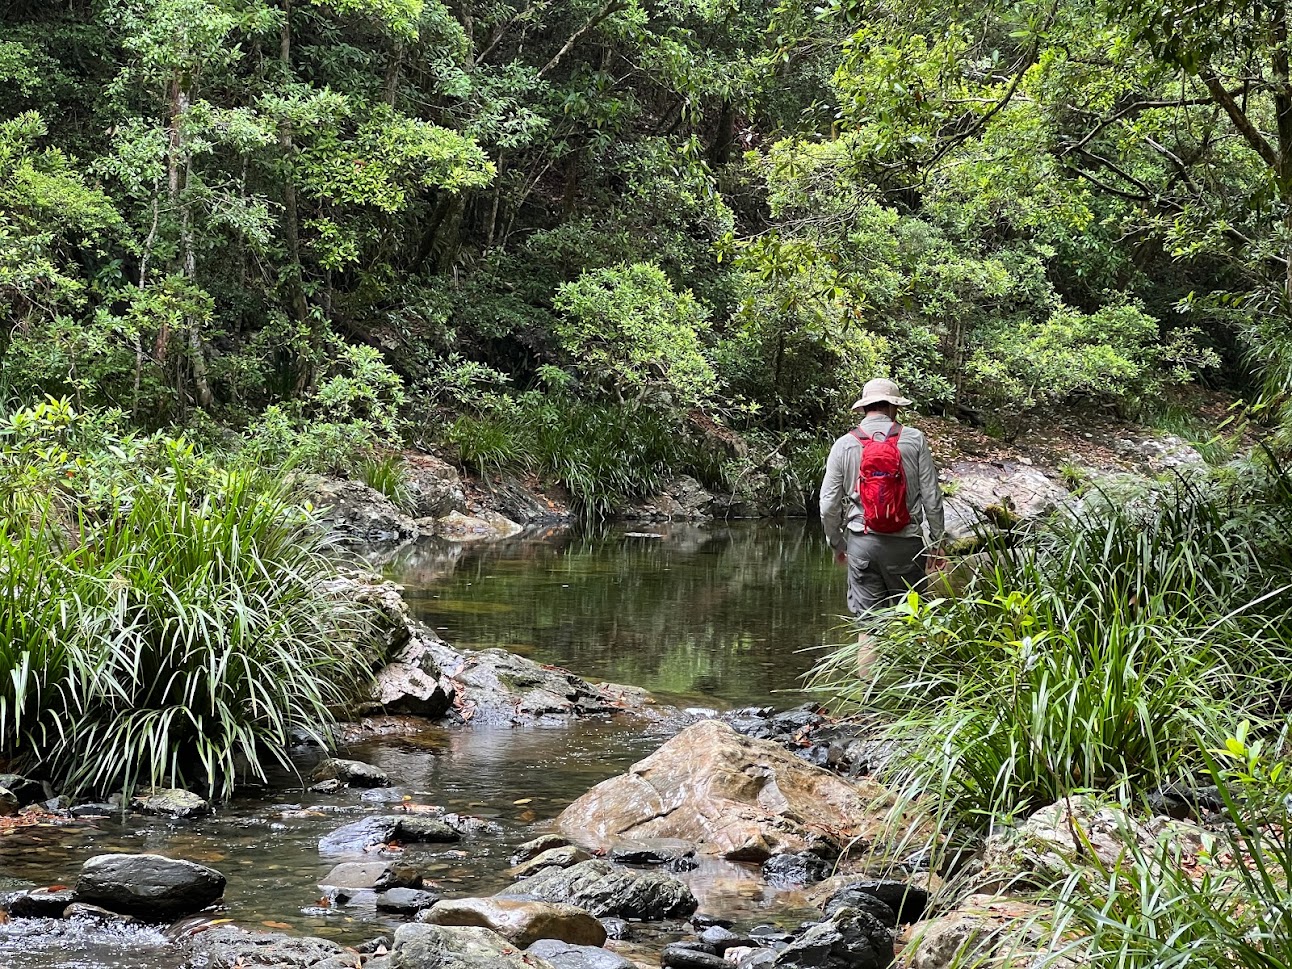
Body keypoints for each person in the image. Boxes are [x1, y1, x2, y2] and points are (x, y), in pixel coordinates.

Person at [819, 377, 946, 615]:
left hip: (862, 543)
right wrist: (938, 543)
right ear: (893, 407)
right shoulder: (914, 439)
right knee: (911, 623)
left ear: (865, 406)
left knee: (868, 627)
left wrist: (837, 543)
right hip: (907, 544)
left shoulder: (844, 444)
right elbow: (931, 496)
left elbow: (828, 506)